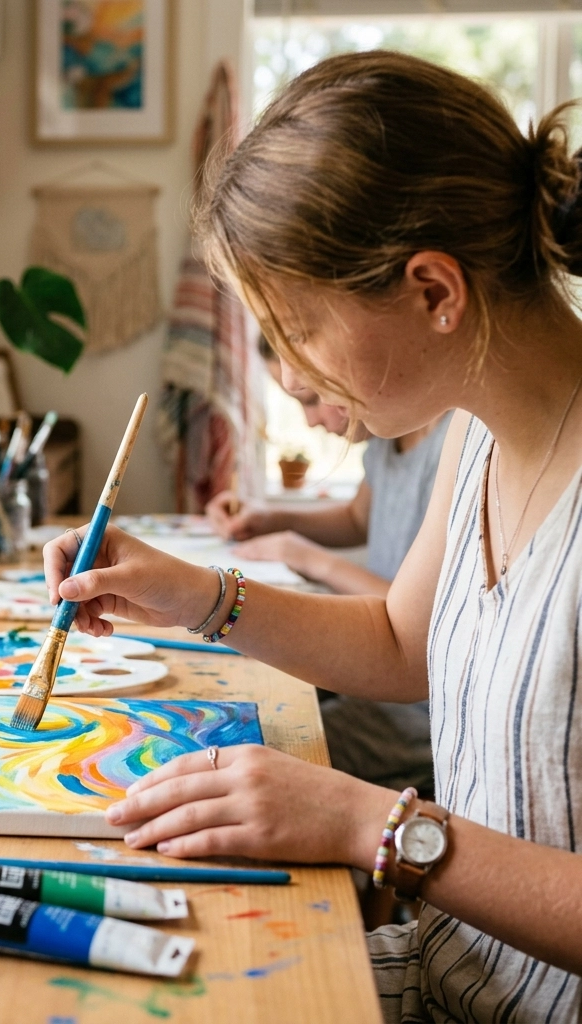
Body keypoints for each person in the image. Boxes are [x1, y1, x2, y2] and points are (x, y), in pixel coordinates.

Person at [43, 52, 582, 1021]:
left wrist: (367, 822)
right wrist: (193, 592)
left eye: (296, 329)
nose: (290, 376)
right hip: (444, 978)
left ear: (432, 291)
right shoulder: (475, 430)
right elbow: (397, 644)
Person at [207, 336, 451, 599]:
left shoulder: (450, 446)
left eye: (312, 399)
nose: (310, 423)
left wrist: (311, 560)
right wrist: (272, 520)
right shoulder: (385, 438)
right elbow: (358, 520)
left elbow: (422, 616)